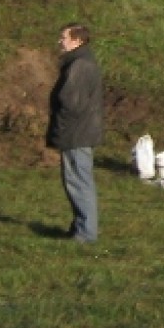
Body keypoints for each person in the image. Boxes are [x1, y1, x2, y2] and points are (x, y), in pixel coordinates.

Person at [48, 22, 105, 243]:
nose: (60, 42)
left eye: (64, 37)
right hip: (78, 131)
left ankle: (85, 233)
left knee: (79, 182)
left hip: (76, 133)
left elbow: (72, 102)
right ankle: (81, 226)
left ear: (77, 40)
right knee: (77, 180)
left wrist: (61, 123)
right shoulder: (81, 62)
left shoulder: (80, 65)